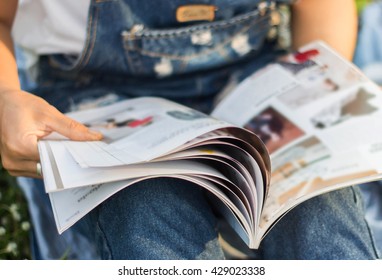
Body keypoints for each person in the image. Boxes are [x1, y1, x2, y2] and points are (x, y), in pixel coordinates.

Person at [0, 0, 379, 260]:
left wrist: (317, 91)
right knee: (148, 209)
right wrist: (5, 95)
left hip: (247, 78)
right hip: (96, 97)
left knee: (317, 205)